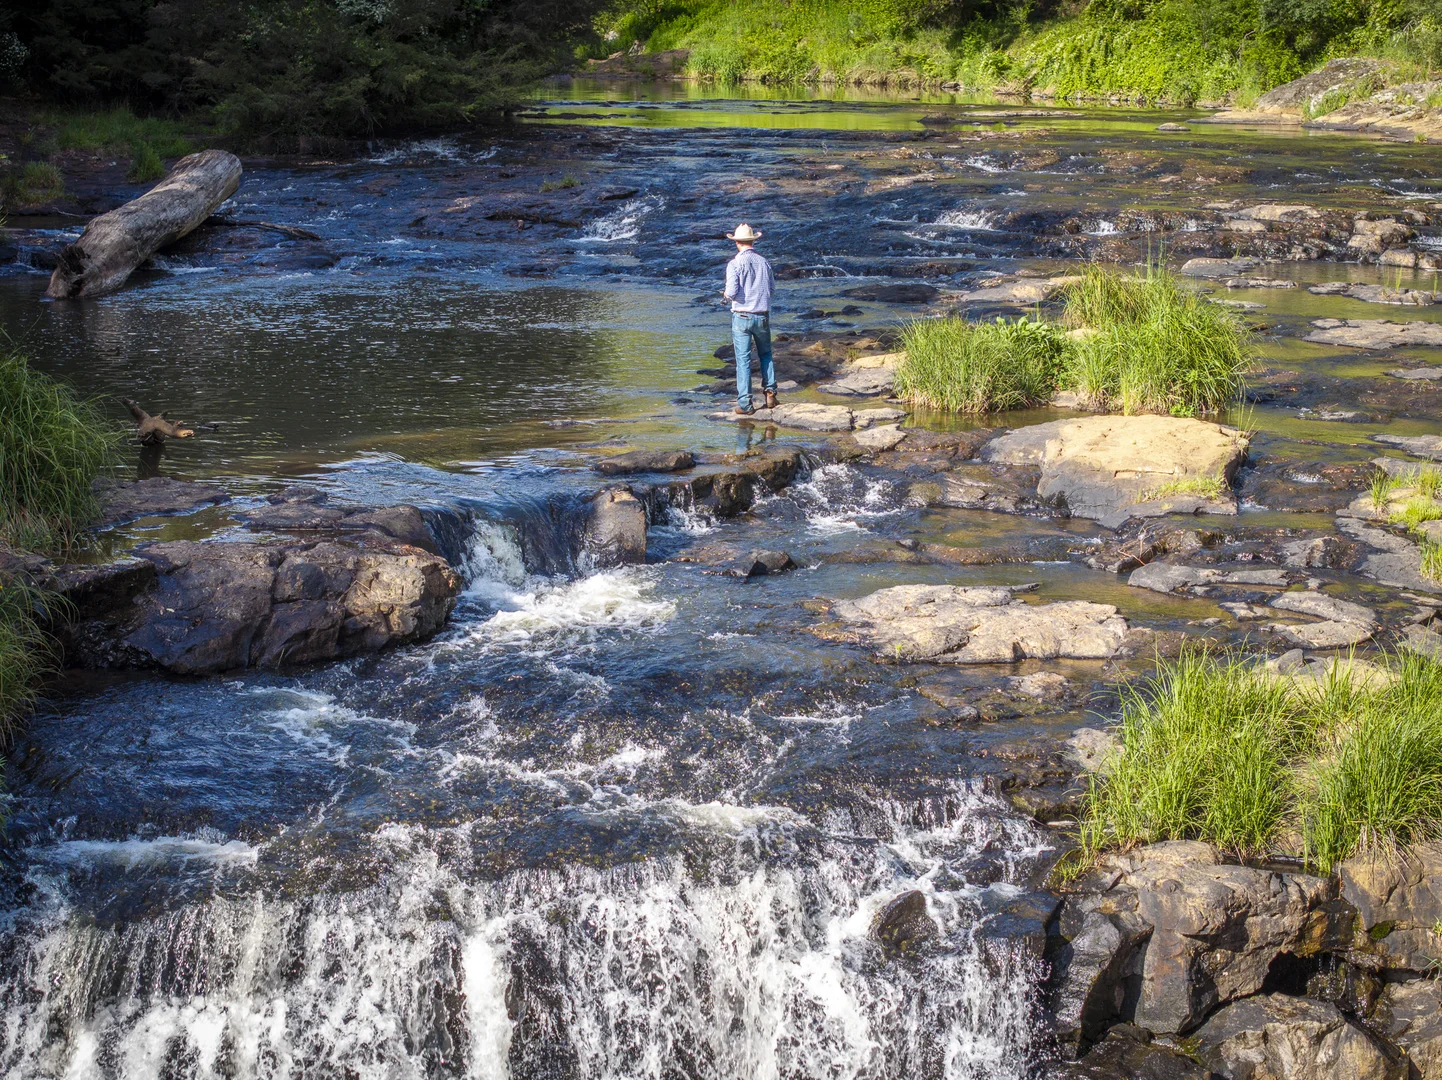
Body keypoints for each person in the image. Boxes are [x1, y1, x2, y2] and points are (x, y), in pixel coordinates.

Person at [722, 223, 777, 415]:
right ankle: (770, 392)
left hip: (742, 317)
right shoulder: (764, 262)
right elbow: (771, 289)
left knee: (743, 360)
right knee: (766, 354)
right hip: (762, 316)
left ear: (737, 242)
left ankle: (746, 404)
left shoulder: (734, 264)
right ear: (753, 241)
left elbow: (731, 292)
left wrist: (726, 296)